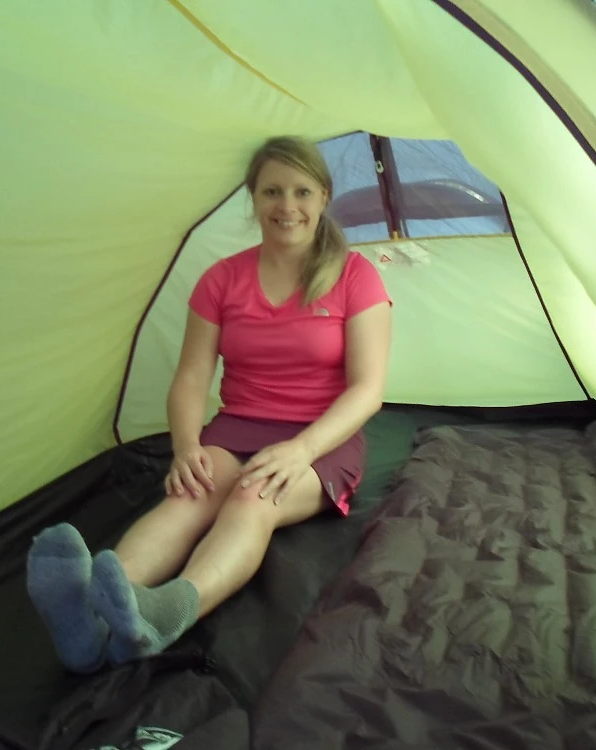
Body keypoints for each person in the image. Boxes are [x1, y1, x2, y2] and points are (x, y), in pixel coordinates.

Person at [26, 135, 393, 673]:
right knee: (190, 496)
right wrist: (185, 447)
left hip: (321, 437)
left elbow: (367, 390)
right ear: (253, 197)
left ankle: (167, 611)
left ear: (323, 198)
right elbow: (192, 378)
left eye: (301, 192)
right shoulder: (222, 279)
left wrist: (301, 449)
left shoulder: (356, 276)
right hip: (238, 424)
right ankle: (90, 619)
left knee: (252, 497)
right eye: (272, 191)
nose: (286, 206)